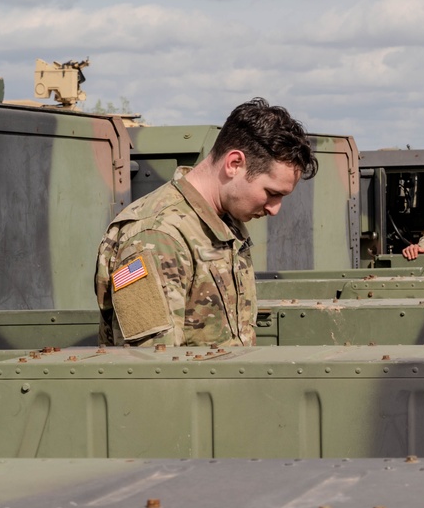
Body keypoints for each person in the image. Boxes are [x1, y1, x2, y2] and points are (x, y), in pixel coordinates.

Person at [94, 98, 318, 348]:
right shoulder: (156, 237)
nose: (274, 209)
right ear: (234, 163)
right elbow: (153, 369)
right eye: (272, 193)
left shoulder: (225, 223)